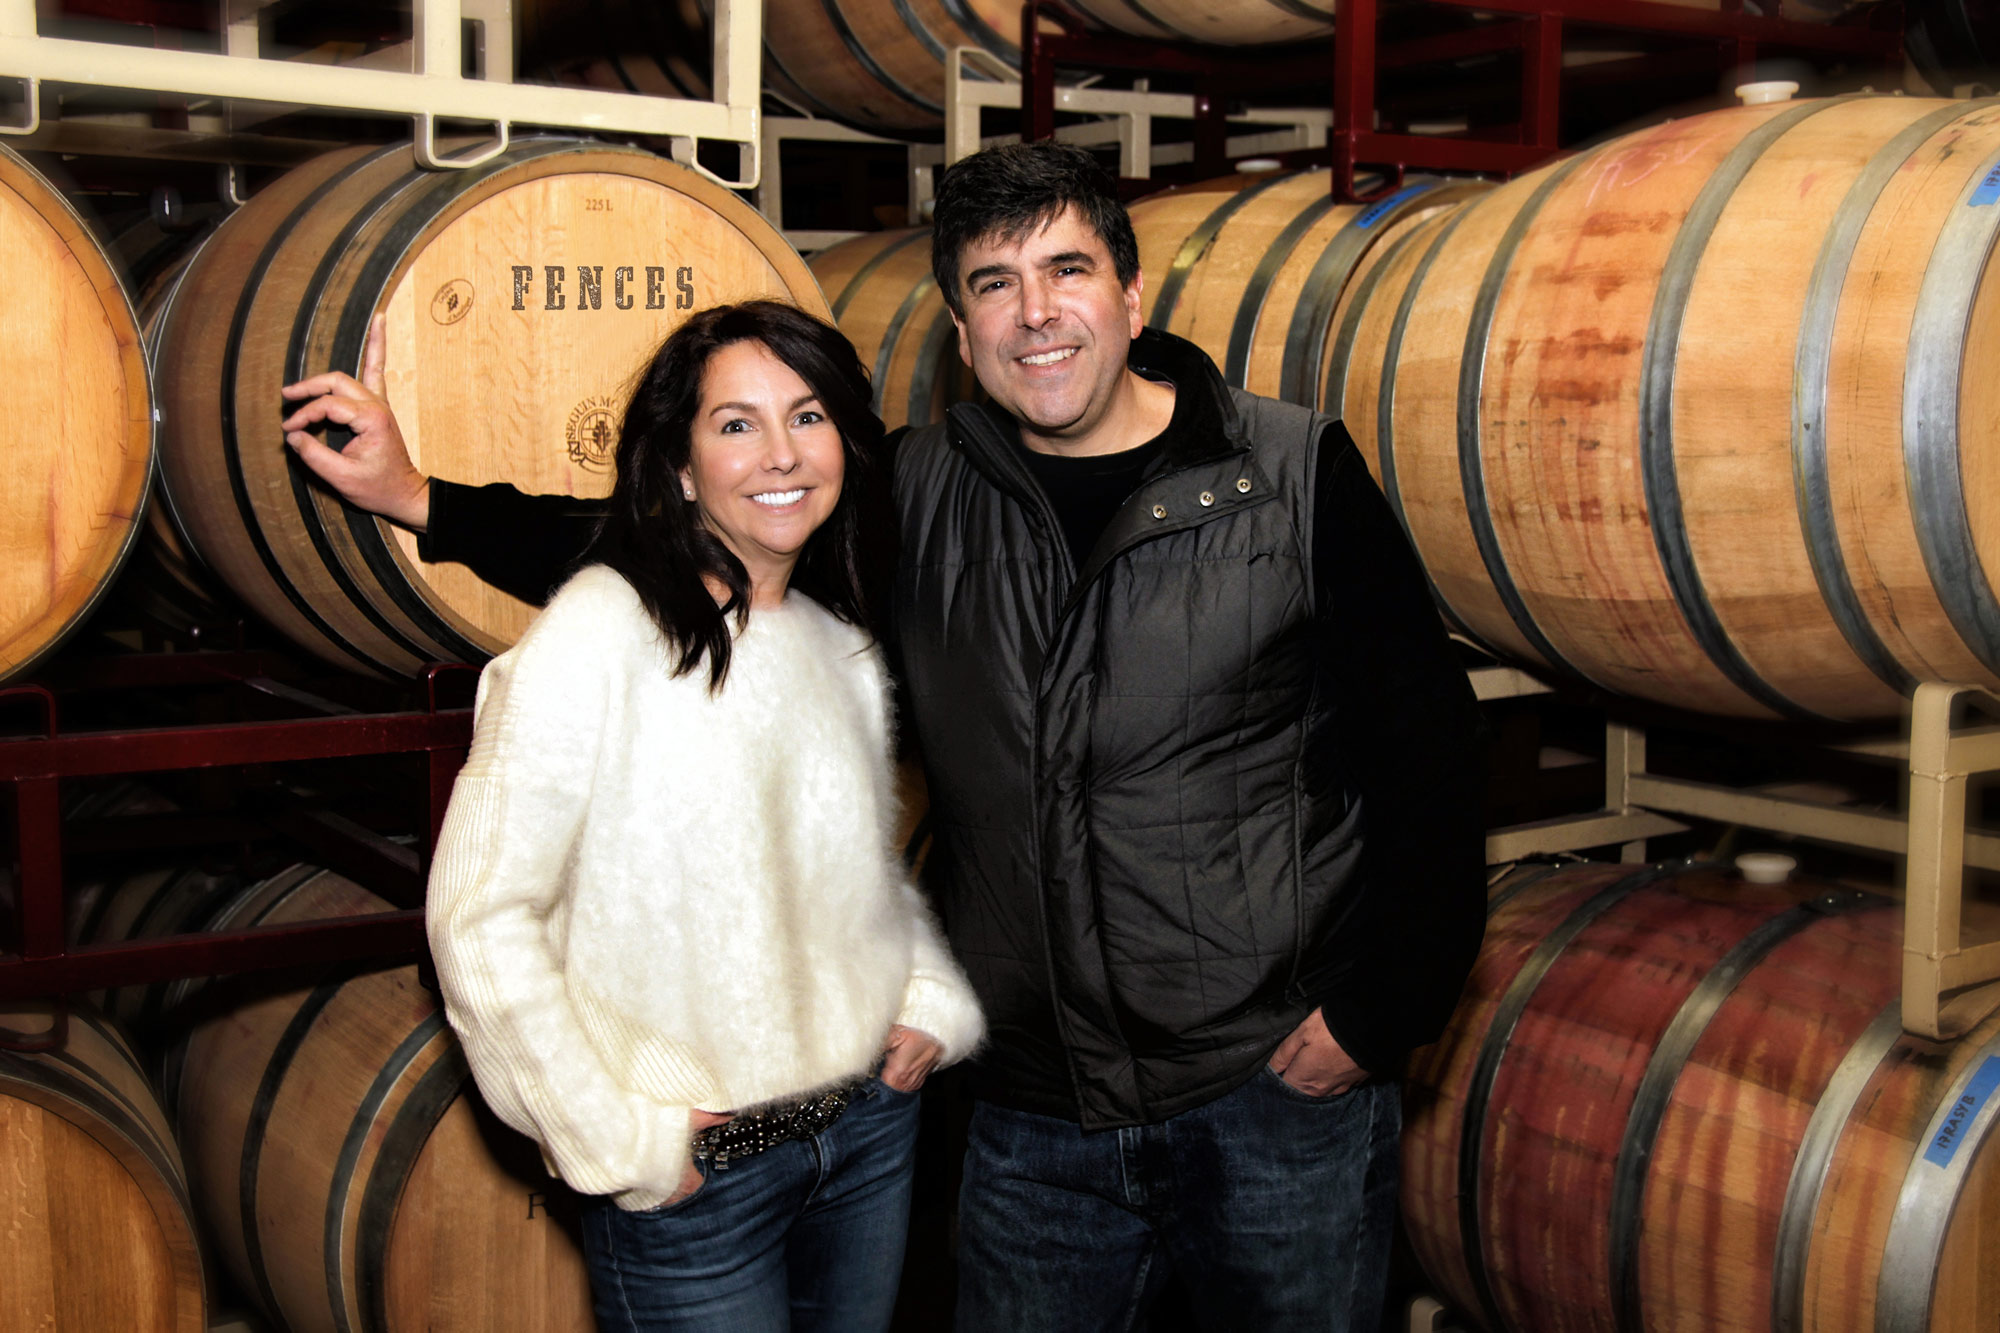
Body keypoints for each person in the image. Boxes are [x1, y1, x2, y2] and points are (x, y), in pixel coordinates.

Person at [284, 144, 1486, 1332]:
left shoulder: (1289, 477)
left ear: (1129, 295)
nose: (1035, 314)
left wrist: (1379, 1014)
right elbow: (708, 534)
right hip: (1031, 1115)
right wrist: (424, 498)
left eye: (1065, 270)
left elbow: (1427, 755)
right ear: (961, 336)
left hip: (1269, 1090)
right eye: (992, 284)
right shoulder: (920, 495)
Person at [282, 300, 984, 1332]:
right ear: (681, 465)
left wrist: (922, 992)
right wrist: (615, 1138)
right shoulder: (595, 638)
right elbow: (477, 916)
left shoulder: (832, 640)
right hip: (708, 1175)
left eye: (807, 416)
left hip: (866, 1137)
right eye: (735, 424)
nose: (779, 453)